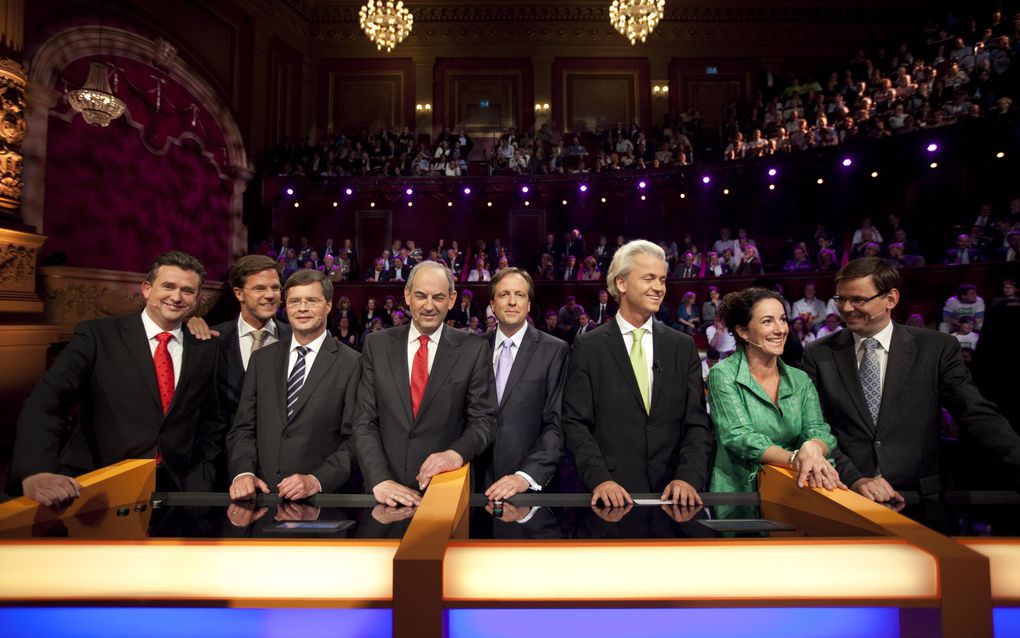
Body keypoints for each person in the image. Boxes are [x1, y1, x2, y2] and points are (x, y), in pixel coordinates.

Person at [11, 252, 223, 505]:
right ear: (146, 289)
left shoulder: (206, 347)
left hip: (178, 491)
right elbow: (46, 402)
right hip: (98, 485)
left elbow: (213, 419)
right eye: (168, 286)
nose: (176, 297)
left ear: (198, 299)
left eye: (188, 291)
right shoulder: (98, 336)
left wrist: (203, 474)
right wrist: (37, 471)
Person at [802, 258, 1020, 502]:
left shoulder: (936, 348)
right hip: (847, 495)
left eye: (858, 300)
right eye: (841, 299)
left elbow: (974, 412)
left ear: (891, 299)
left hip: (920, 498)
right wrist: (855, 479)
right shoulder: (818, 354)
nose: (846, 308)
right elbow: (814, 428)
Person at [562, 240, 713, 508]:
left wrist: (688, 478)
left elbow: (697, 423)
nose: (659, 287)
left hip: (674, 500)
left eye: (663, 280)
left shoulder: (682, 345)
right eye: (649, 278)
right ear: (621, 283)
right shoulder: (589, 346)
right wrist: (600, 480)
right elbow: (576, 424)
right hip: (610, 501)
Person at [353, 261, 497, 507]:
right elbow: (364, 421)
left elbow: (484, 420)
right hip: (384, 493)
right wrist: (379, 479)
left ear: (451, 300)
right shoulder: (376, 345)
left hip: (447, 491)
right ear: (407, 296)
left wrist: (455, 454)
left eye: (438, 297)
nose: (429, 306)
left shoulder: (473, 348)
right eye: (421, 296)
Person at [227, 269, 361, 500]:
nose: (302, 308)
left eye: (312, 300)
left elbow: (357, 438)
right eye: (295, 301)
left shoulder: (352, 363)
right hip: (262, 497)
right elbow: (243, 428)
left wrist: (317, 480)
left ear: (328, 305)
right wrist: (243, 472)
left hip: (322, 501)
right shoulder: (262, 359)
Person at [707, 288, 844, 494]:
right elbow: (739, 436)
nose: (781, 329)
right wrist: (795, 458)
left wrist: (813, 448)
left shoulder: (800, 379)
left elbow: (818, 429)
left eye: (782, 319)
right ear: (743, 331)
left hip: (797, 490)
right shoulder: (723, 374)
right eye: (767, 321)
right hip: (743, 493)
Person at [480, 268, 569, 501]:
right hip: (476, 487)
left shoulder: (554, 350)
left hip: (530, 490)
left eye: (519, 295)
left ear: (529, 304)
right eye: (504, 295)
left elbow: (556, 423)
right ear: (492, 303)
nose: (512, 302)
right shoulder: (474, 348)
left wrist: (525, 476)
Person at [206, 256, 293, 432]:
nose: (270, 295)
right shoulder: (214, 339)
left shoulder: (296, 338)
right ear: (239, 293)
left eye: (275, 288)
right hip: (227, 452)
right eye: (259, 288)